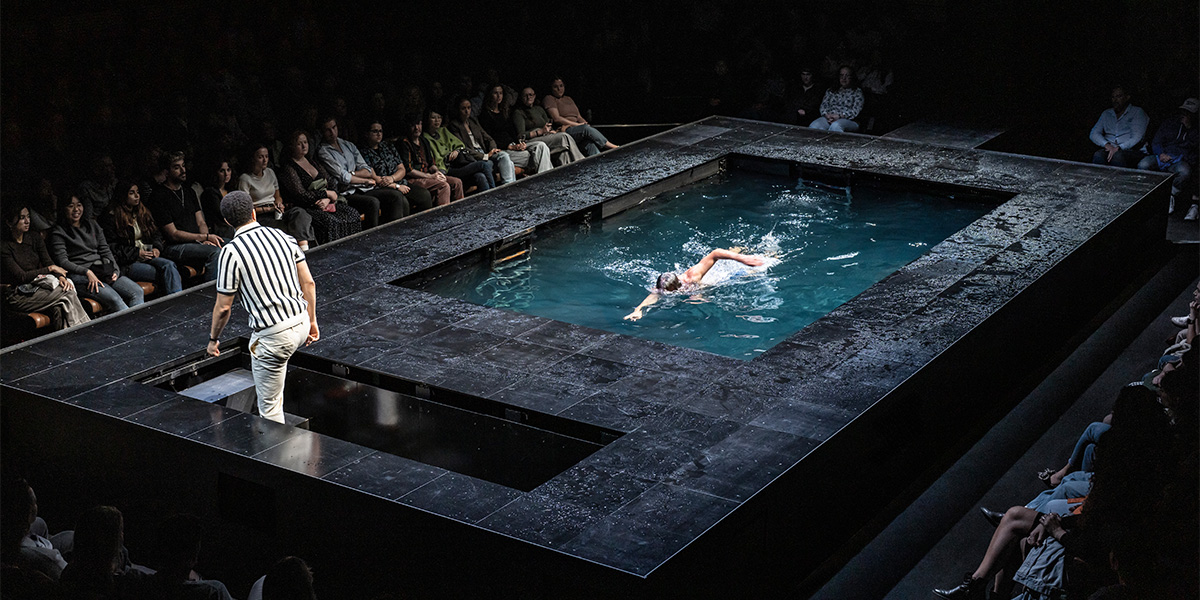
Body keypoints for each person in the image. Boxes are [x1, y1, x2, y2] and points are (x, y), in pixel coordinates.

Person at [207, 191, 318, 423]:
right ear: (254, 212)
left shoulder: (231, 252)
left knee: (270, 411)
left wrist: (213, 339)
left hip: (275, 335)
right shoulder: (282, 236)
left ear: (228, 222)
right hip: (300, 322)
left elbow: (224, 307)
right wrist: (312, 321)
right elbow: (308, 282)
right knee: (278, 372)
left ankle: (280, 457)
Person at [48, 194, 144, 314]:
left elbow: (105, 250)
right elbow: (63, 261)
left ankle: (136, 327)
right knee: (115, 299)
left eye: (79, 205)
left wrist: (115, 270)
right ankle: (132, 330)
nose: (76, 209)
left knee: (137, 291)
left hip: (102, 270)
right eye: (71, 206)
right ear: (63, 208)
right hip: (81, 276)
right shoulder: (58, 232)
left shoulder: (92, 225)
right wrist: (87, 272)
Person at [1, 202, 91, 330]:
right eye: (22, 218)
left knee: (60, 305)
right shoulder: (4, 247)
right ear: (10, 223)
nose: (27, 221)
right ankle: (83, 330)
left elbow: (48, 261)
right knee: (68, 292)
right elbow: (21, 276)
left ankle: (64, 341)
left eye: (28, 216)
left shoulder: (34, 237)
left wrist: (61, 277)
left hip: (38, 287)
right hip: (17, 295)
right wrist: (49, 269)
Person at [316, 116, 409, 228]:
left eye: (334, 127)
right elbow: (343, 177)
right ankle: (372, 239)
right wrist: (364, 180)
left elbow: (367, 170)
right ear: (322, 132)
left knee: (395, 196)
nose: (332, 132)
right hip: (347, 192)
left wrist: (353, 174)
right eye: (327, 130)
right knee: (372, 202)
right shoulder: (323, 151)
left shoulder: (347, 144)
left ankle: (398, 233)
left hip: (363, 188)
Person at [624, 248, 768, 321]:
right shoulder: (663, 287)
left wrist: (742, 259)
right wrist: (639, 309)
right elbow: (653, 296)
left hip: (726, 276)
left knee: (762, 265)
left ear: (676, 286)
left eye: (668, 290)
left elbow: (715, 253)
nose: (665, 293)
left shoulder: (691, 276)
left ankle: (761, 253)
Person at [278, 130, 363, 244]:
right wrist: (326, 194)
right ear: (291, 146)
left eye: (305, 142)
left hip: (327, 202)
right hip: (308, 206)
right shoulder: (289, 168)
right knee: (330, 222)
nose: (304, 146)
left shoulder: (313, 162)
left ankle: (354, 246)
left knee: (352, 214)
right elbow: (300, 194)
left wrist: (328, 198)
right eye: (299, 143)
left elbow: (331, 182)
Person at [100, 181, 183, 297]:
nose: (137, 196)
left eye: (138, 192)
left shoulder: (142, 212)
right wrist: (136, 253)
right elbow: (112, 247)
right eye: (132, 193)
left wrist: (156, 247)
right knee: (168, 274)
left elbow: (156, 233)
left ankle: (177, 304)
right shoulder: (112, 217)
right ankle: (174, 306)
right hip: (129, 262)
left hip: (148, 255)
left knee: (169, 266)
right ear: (123, 195)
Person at [149, 151, 222, 282]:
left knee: (229, 244)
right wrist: (204, 238)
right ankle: (213, 296)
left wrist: (206, 240)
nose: (183, 170)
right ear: (166, 172)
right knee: (214, 252)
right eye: (177, 167)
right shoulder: (159, 196)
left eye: (183, 165)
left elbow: (201, 222)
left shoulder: (189, 191)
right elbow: (173, 234)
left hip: (195, 242)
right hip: (174, 247)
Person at [446, 96, 549, 184]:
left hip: (486, 152)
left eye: (469, 108)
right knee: (505, 156)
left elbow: (488, 137)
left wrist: (493, 149)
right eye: (463, 108)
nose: (467, 111)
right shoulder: (454, 126)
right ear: (458, 109)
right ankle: (508, 187)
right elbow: (464, 148)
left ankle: (511, 185)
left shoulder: (472, 121)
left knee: (505, 157)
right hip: (473, 157)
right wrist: (485, 156)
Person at [239, 144, 316, 250]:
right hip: (260, 215)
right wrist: (267, 209)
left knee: (300, 213)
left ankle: (304, 249)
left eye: (266, 156)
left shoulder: (270, 172)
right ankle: (298, 251)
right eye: (260, 157)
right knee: (284, 227)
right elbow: (246, 209)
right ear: (253, 159)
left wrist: (279, 203)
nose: (264, 160)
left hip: (275, 210)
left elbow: (277, 195)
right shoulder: (245, 179)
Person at [473, 86, 555, 178]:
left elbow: (514, 133)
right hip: (502, 149)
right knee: (535, 156)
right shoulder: (485, 116)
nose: (499, 96)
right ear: (489, 95)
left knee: (541, 146)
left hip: (514, 145)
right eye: (495, 93)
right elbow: (490, 138)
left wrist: (520, 143)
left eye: (501, 93)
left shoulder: (504, 112)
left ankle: (544, 178)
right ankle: (545, 179)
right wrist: (510, 146)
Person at [1136, 98, 1198, 218]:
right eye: (1183, 112)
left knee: (1184, 171)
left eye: (1188, 113)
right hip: (1162, 156)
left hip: (1180, 160)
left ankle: (1171, 196)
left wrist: (1189, 128)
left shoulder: (1195, 130)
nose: (1184, 116)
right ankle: (1147, 198)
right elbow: (1156, 141)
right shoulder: (1169, 123)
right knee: (1143, 165)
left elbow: (1194, 149)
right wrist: (1161, 153)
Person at [359, 121, 435, 213]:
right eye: (375, 131)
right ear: (367, 134)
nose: (379, 134)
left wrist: (392, 178)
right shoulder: (363, 152)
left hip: (398, 181)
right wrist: (396, 186)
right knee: (403, 202)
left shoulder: (388, 146)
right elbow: (373, 177)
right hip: (382, 187)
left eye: (380, 131)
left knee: (424, 195)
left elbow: (402, 169)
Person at [422, 109, 496, 193]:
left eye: (439, 117)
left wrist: (456, 150)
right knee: (484, 165)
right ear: (427, 119)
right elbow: (435, 160)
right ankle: (495, 193)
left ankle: (489, 201)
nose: (437, 120)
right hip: (448, 168)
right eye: (433, 118)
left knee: (480, 176)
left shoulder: (443, 131)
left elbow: (460, 144)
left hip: (459, 163)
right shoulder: (425, 138)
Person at [398, 115, 464, 205]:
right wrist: (431, 176)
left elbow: (431, 163)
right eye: (413, 125)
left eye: (419, 124)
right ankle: (444, 217)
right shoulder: (404, 143)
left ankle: (461, 213)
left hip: (428, 176)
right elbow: (409, 170)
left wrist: (438, 173)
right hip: (414, 179)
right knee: (443, 186)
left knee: (457, 182)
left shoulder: (423, 141)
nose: (417, 128)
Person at [543, 78, 618, 156]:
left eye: (561, 86)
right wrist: (579, 125)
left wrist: (584, 122)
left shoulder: (568, 99)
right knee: (585, 129)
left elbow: (578, 116)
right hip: (565, 129)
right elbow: (557, 118)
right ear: (551, 88)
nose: (559, 89)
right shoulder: (549, 98)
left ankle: (599, 163)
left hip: (577, 129)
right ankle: (613, 148)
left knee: (589, 144)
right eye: (555, 87)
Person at [513, 87, 584, 166]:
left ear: (534, 96)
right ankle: (582, 163)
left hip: (546, 136)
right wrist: (539, 132)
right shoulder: (518, 113)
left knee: (564, 152)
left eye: (530, 95)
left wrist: (552, 131)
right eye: (525, 95)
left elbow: (548, 124)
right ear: (521, 98)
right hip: (532, 140)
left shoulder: (539, 109)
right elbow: (521, 135)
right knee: (564, 137)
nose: (528, 97)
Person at [1089, 86, 1149, 168]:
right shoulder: (1107, 113)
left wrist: (1119, 148)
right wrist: (1106, 144)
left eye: (1119, 96)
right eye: (1113, 97)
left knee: (1118, 156)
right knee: (1098, 155)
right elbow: (1094, 133)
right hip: (1111, 149)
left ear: (1127, 97)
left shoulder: (1137, 112)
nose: (1115, 100)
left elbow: (1137, 137)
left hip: (1131, 150)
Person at [808, 66, 864, 132]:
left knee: (836, 126)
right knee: (814, 126)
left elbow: (855, 111)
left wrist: (839, 116)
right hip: (829, 118)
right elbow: (824, 105)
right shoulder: (831, 90)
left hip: (848, 120)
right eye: (841, 75)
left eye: (847, 76)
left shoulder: (857, 92)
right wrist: (827, 115)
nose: (844, 78)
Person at [199, 156, 236, 240]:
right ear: (216, 172)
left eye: (228, 170)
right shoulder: (210, 192)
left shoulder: (231, 190)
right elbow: (221, 214)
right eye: (222, 171)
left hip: (232, 227)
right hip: (219, 230)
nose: (226, 174)